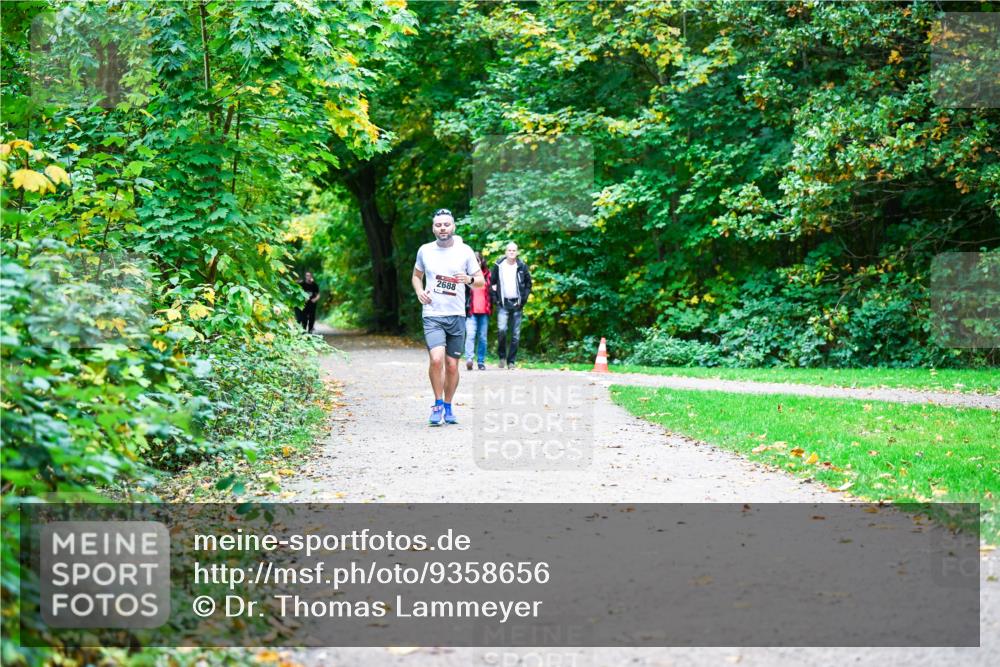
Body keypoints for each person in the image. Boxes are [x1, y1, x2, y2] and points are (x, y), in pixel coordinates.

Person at [411, 209, 484, 426]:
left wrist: (469, 279)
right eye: (438, 225)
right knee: (436, 360)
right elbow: (417, 276)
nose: (442, 228)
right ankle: (437, 404)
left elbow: (480, 281)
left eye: (446, 224)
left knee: (452, 365)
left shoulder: (465, 251)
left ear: (453, 227)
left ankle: (449, 406)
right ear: (433, 228)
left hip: (456, 315)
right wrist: (419, 291)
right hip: (433, 314)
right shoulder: (425, 250)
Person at [490, 242, 532, 369]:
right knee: (502, 330)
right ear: (505, 252)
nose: (512, 252)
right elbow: (492, 283)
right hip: (503, 304)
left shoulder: (522, 266)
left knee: (515, 334)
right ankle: (502, 357)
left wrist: (523, 300)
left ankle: (511, 361)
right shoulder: (498, 265)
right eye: (509, 250)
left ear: (517, 252)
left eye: (514, 250)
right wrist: (496, 299)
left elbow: (528, 284)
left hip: (517, 304)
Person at [464, 251, 492, 371]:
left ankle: (481, 362)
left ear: (481, 262)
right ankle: (469, 359)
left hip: (485, 311)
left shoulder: (488, 275)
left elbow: (494, 290)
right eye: (473, 261)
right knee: (470, 335)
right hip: (471, 311)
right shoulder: (466, 277)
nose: (476, 263)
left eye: (478, 261)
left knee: (483, 338)